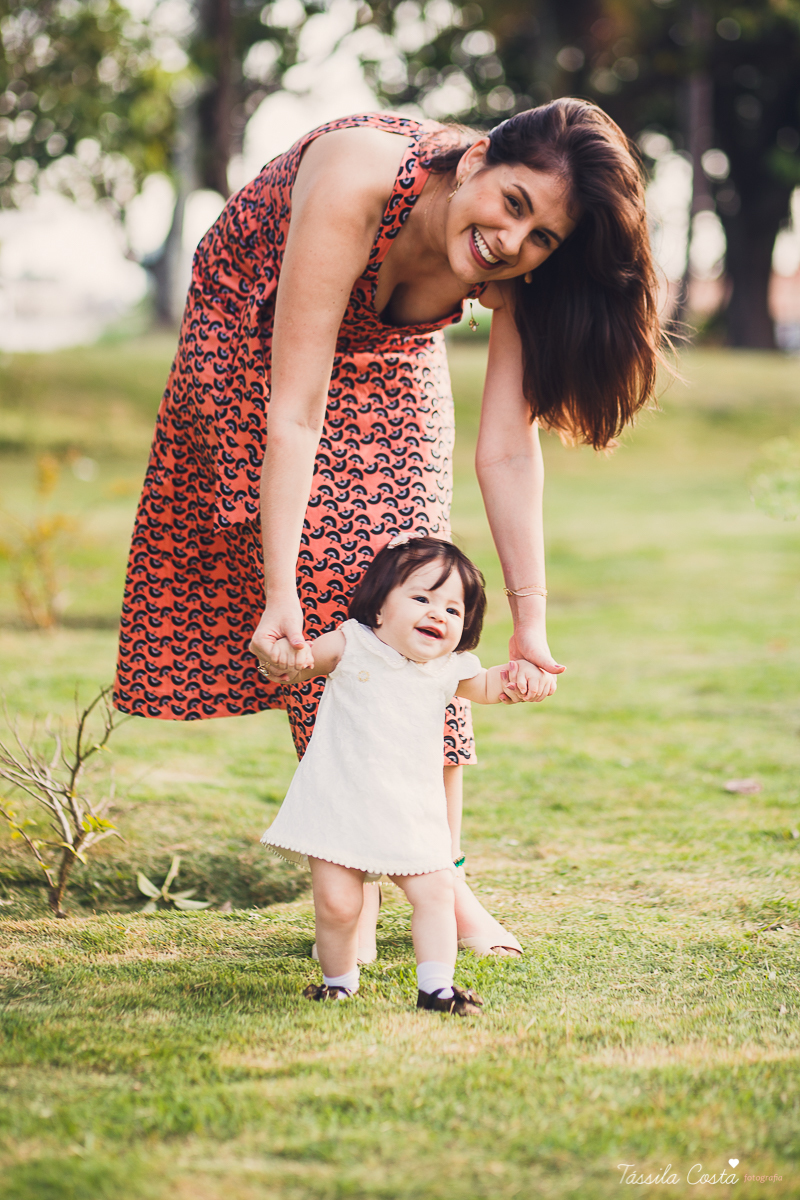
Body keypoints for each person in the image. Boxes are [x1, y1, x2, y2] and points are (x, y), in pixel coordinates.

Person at [114, 99, 663, 958]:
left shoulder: (510, 266)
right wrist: (282, 592)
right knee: (341, 592)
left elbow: (508, 452)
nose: (513, 243)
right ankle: (351, 882)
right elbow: (293, 414)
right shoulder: (357, 176)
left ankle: (437, 880)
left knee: (420, 604)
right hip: (257, 338)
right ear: (478, 158)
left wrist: (530, 618)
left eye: (542, 238)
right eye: (513, 204)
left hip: (395, 359)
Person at [261, 537, 556, 1013]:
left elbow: (488, 684)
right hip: (338, 804)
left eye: (453, 609)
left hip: (410, 809)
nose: (437, 614)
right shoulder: (352, 644)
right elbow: (302, 664)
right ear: (378, 609)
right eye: (421, 598)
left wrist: (523, 678)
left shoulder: (447, 669)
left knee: (437, 893)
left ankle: (436, 988)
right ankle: (338, 982)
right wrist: (287, 659)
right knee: (338, 906)